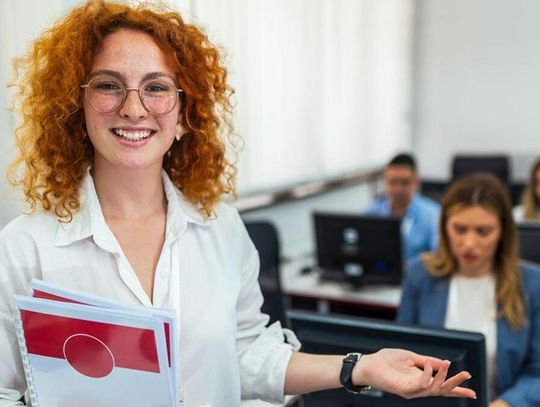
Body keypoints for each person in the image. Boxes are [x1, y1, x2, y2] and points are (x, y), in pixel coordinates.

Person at [0, 1, 476, 406]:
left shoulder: (221, 228)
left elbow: (246, 352)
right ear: (75, 105)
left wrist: (361, 367)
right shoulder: (26, 248)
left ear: (186, 113)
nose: (133, 107)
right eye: (108, 84)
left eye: (157, 87)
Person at [397, 174, 540, 407]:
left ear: (503, 231)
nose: (469, 244)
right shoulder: (420, 275)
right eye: (460, 229)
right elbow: (402, 356)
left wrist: (506, 404)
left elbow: (537, 373)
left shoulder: (533, 283)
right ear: (445, 227)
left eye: (483, 231)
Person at [365, 153, 440, 262]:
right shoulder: (372, 212)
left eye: (404, 183)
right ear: (385, 182)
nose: (398, 189)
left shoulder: (433, 214)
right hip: (380, 273)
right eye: (392, 182)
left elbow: (439, 255)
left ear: (416, 183)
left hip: (417, 275)